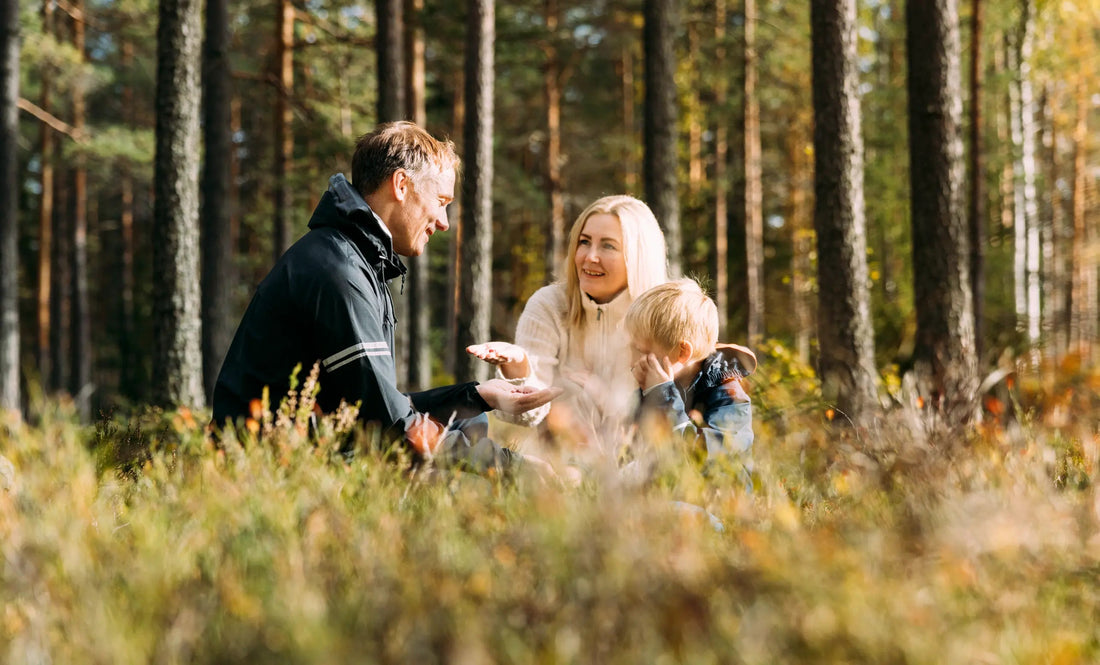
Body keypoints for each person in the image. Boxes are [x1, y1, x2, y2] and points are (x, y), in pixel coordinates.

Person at [212, 122, 559, 475]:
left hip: (313, 444)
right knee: (468, 475)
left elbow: (377, 406)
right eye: (440, 202)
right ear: (401, 185)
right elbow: (391, 426)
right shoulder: (339, 272)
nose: (444, 222)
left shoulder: (352, 257)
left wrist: (477, 396)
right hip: (272, 467)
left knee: (469, 418)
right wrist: (514, 468)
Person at [467, 195, 668, 455]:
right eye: (584, 242)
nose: (590, 257)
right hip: (559, 464)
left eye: (608, 246)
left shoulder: (664, 315)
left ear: (639, 256)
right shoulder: (549, 305)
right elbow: (520, 416)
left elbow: (675, 411)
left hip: (640, 463)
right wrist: (518, 369)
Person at [624, 278, 756, 482]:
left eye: (641, 351)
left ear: (682, 352)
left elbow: (702, 460)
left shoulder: (730, 398)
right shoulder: (652, 387)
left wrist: (663, 396)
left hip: (719, 496)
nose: (632, 361)